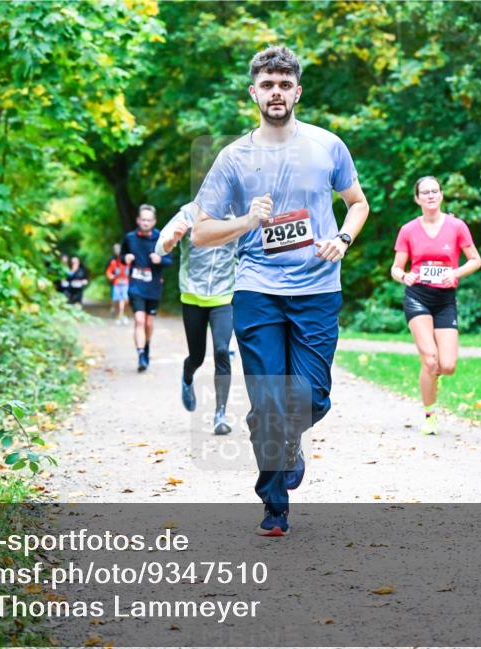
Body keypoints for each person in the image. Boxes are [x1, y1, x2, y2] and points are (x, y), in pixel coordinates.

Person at [192, 46, 369, 536]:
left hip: (317, 289)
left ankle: (286, 439)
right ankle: (275, 505)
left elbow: (357, 203)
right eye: (267, 85)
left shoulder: (327, 146)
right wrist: (249, 219)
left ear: (298, 92)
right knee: (269, 401)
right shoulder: (234, 158)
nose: (276, 92)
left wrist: (343, 238)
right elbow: (201, 231)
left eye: (284, 84)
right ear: (254, 92)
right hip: (257, 290)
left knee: (313, 397)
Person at [390, 176, 481, 435]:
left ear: (441, 195)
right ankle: (430, 415)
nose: (430, 196)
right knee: (430, 360)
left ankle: (431, 374)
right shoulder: (408, 230)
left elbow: (475, 260)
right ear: (417, 198)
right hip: (417, 295)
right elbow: (396, 268)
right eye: (425, 192)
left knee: (447, 365)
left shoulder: (456, 226)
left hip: (445, 299)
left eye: (434, 191)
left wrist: (455, 273)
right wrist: (404, 276)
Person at [155, 202, 236, 435]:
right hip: (192, 296)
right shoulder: (189, 212)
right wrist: (174, 239)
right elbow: (160, 247)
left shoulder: (238, 214)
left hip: (223, 296)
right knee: (197, 356)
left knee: (222, 351)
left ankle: (220, 414)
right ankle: (187, 375)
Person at [122, 204, 172, 372]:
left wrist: (160, 260)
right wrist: (126, 258)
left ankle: (147, 344)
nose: (145, 223)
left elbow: (170, 260)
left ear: (154, 221)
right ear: (138, 220)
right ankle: (141, 354)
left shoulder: (161, 238)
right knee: (139, 320)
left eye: (148, 220)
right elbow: (122, 256)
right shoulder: (129, 238)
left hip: (153, 287)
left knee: (149, 323)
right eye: (143, 219)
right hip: (135, 286)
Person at [105, 243, 130, 325]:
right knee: (117, 300)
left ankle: (120, 316)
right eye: (116, 250)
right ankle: (119, 313)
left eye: (119, 249)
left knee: (124, 300)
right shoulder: (112, 261)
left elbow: (132, 270)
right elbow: (108, 271)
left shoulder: (128, 260)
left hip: (126, 283)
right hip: (116, 284)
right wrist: (111, 276)